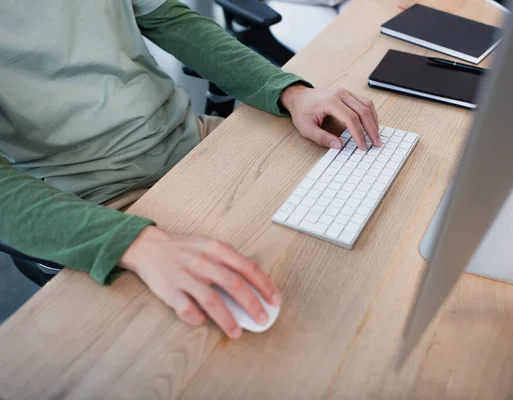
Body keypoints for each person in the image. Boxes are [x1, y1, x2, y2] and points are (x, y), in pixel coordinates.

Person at [0, 0, 380, 339]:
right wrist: (135, 244)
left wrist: (289, 91)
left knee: (360, 208)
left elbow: (172, 21)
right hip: (94, 201)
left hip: (188, 138)